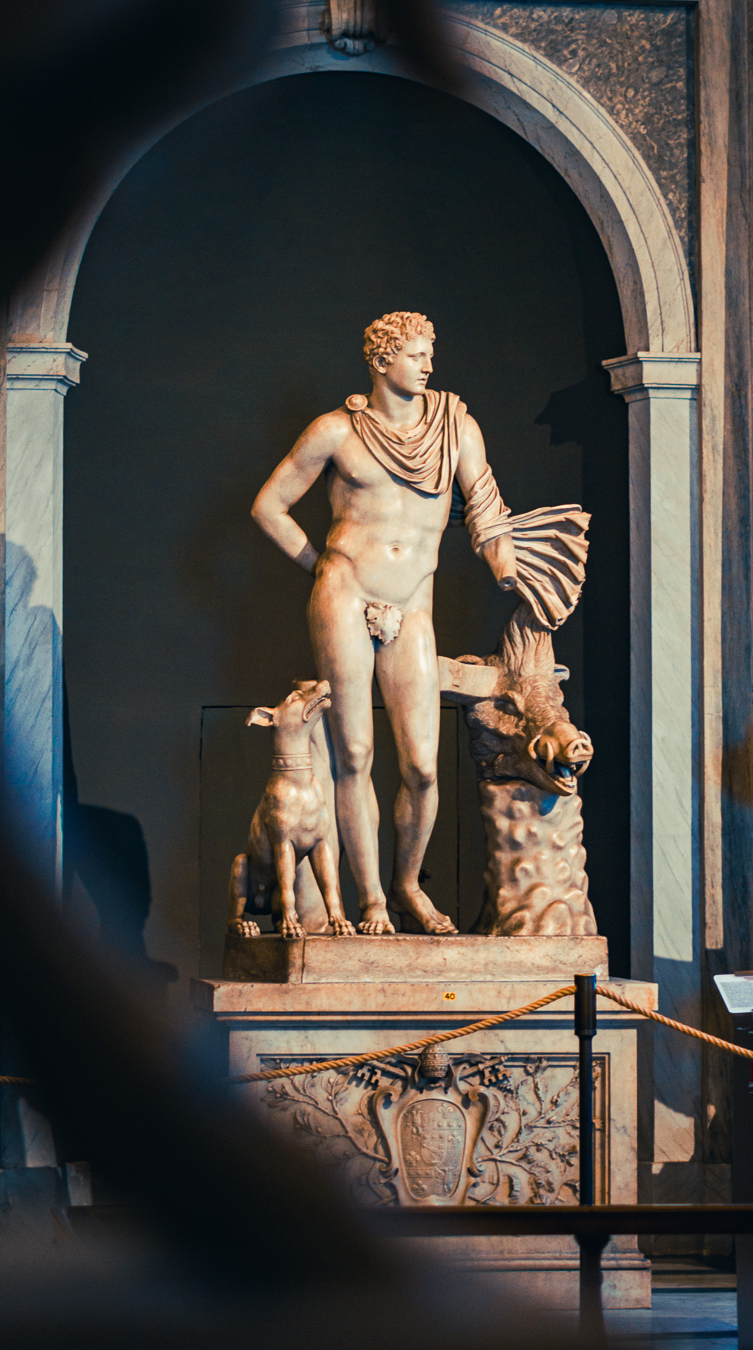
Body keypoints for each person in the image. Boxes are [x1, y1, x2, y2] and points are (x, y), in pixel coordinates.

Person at [252, 312, 518, 935]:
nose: (428, 366)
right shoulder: (336, 431)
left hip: (412, 606)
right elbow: (269, 506)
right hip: (345, 595)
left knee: (423, 765)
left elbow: (485, 508)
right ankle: (370, 897)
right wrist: (324, 568)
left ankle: (405, 886)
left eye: (430, 354)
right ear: (381, 361)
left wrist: (505, 563)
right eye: (416, 355)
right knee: (356, 752)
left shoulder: (456, 428)